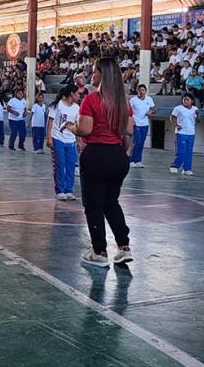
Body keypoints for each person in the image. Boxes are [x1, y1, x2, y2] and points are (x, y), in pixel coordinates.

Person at [64, 57, 134, 267]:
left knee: (93, 205)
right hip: (117, 156)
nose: (90, 75)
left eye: (94, 71)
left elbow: (86, 130)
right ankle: (123, 247)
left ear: (102, 75)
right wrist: (122, 152)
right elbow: (128, 132)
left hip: (95, 155)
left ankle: (99, 252)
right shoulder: (124, 103)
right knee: (111, 202)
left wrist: (71, 126)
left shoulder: (91, 100)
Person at [46, 84, 80, 201]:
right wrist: (49, 138)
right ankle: (60, 190)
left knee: (71, 165)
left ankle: (68, 190)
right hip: (58, 138)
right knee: (60, 165)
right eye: (77, 94)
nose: (79, 96)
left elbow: (77, 125)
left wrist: (79, 140)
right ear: (71, 94)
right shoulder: (57, 105)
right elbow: (50, 122)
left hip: (71, 140)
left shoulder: (76, 107)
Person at [170, 94, 199, 175]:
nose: (185, 101)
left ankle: (187, 169)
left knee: (189, 152)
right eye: (184, 99)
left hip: (191, 133)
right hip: (181, 132)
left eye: (187, 99)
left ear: (192, 101)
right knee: (181, 151)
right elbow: (172, 117)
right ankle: (174, 166)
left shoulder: (195, 109)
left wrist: (198, 114)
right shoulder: (178, 108)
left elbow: (198, 120)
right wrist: (176, 125)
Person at [128, 84, 155, 168]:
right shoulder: (133, 100)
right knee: (137, 142)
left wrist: (150, 112)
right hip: (136, 124)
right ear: (137, 91)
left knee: (141, 143)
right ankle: (131, 160)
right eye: (140, 90)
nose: (141, 92)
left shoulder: (149, 99)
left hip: (145, 124)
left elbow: (154, 109)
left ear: (145, 91)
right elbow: (128, 111)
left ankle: (138, 161)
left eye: (143, 90)